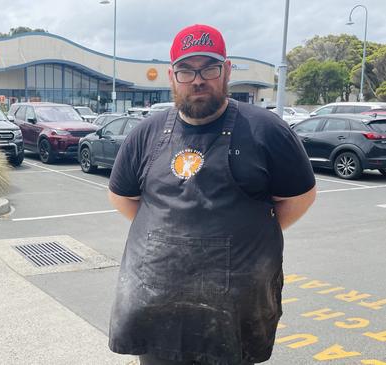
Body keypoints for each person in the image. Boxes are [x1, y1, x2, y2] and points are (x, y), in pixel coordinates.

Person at [107, 24, 316, 365]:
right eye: (186, 69)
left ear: (227, 70)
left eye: (209, 68)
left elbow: (300, 197)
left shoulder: (267, 130)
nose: (198, 79)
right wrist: (170, 235)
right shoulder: (145, 134)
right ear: (172, 76)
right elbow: (122, 197)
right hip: (156, 309)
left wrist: (249, 235)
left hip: (236, 313)